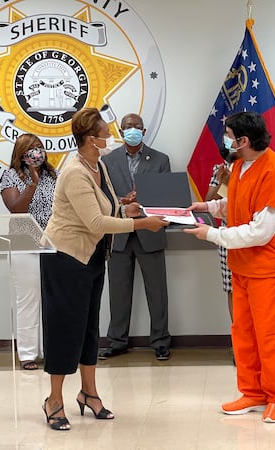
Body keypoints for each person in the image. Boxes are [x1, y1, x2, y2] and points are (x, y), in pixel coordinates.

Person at [39, 107, 168, 431]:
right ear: (89, 139)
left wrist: (132, 208)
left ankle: (89, 393)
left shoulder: (97, 165)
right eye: (105, 133)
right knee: (65, 330)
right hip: (65, 259)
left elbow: (110, 206)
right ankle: (54, 400)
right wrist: (141, 223)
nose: (111, 137)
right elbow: (96, 221)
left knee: (88, 330)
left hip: (93, 257)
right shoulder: (74, 171)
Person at [185, 111, 275, 423]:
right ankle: (252, 391)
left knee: (269, 335)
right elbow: (237, 204)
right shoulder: (239, 166)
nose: (225, 141)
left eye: (228, 135)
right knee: (244, 332)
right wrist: (207, 207)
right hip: (244, 267)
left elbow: (261, 230)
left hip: (270, 268)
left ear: (244, 140)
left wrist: (211, 234)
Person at [98, 113, 172, 361]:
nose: (132, 130)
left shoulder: (161, 159)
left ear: (144, 130)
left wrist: (141, 202)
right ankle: (117, 341)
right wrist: (122, 201)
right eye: (128, 127)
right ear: (120, 131)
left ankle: (160, 341)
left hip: (150, 230)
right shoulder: (107, 160)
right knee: (118, 291)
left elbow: (165, 197)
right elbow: (102, 196)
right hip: (119, 232)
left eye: (137, 127)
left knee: (157, 291)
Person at [0, 133, 57, 371]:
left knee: (54, 300)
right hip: (25, 244)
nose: (37, 153)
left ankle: (53, 351)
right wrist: (32, 182)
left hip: (53, 243)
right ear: (22, 154)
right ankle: (27, 354)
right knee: (28, 300)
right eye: (32, 149)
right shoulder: (10, 176)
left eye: (40, 148)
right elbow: (16, 209)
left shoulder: (54, 175)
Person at [204, 147, 237, 324]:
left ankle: (254, 341)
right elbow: (209, 201)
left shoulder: (254, 167)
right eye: (226, 135)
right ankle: (238, 339)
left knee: (252, 290)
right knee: (232, 289)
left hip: (250, 233)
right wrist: (223, 182)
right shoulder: (221, 168)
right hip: (227, 233)